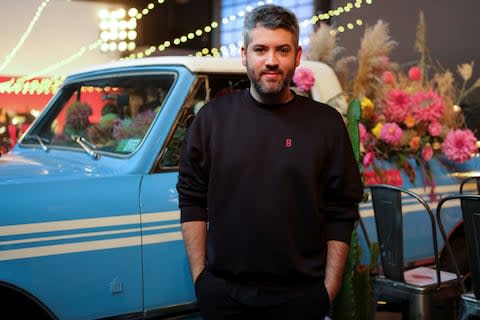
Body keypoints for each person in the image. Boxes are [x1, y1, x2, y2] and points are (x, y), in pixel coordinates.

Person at [176, 4, 363, 320]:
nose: (271, 60)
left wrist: (328, 289)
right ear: (244, 53)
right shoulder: (211, 120)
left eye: (282, 50)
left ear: (298, 55)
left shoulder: (326, 124)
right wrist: (201, 279)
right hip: (225, 298)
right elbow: (192, 200)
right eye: (260, 49)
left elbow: (342, 210)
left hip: (301, 299)